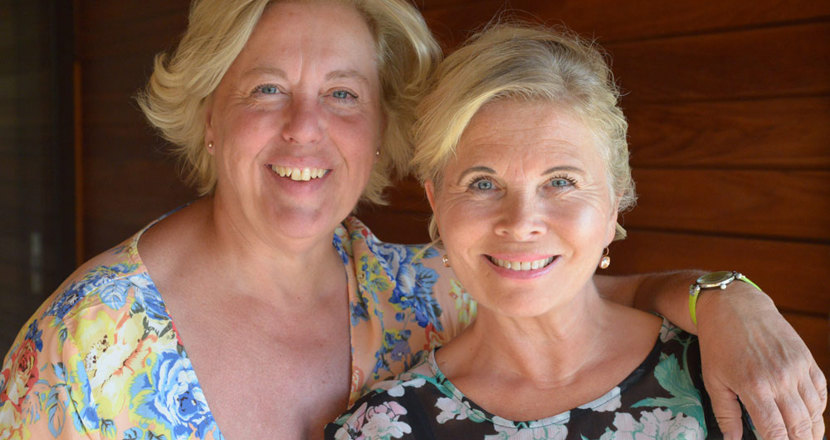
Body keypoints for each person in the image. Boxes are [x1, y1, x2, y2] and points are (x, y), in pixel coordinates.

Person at [0, 1, 824, 439]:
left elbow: (588, 295)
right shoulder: (86, 346)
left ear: (379, 127)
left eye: (342, 94)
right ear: (209, 116)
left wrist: (730, 299)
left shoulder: (420, 288)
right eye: (266, 89)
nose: (305, 128)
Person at [325, 23, 827, 440]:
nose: (521, 222)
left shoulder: (728, 375)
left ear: (614, 203)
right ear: (437, 201)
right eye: (483, 183)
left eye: (561, 181)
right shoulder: (384, 427)